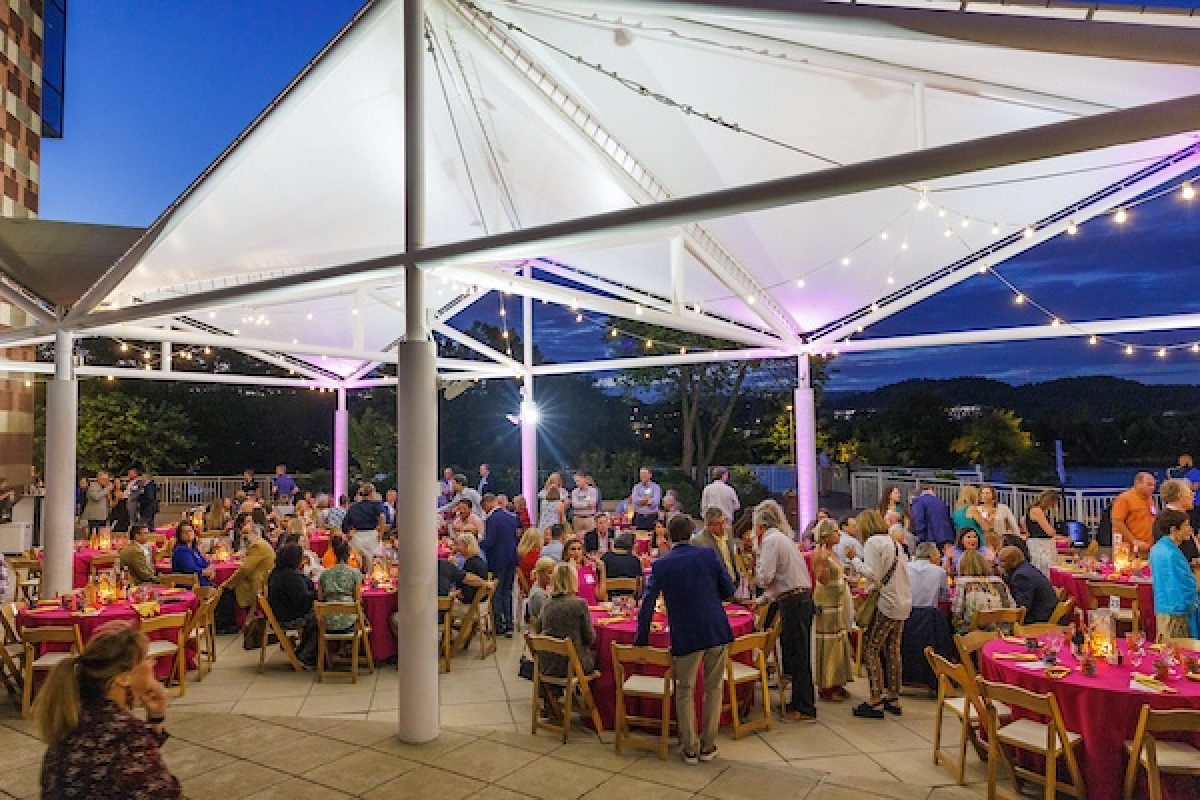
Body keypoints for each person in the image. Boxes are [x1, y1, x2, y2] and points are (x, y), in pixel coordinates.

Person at [36, 621, 182, 798]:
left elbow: (126, 770)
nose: (153, 662)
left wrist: (155, 719)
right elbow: (163, 793)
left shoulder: (74, 715)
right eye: (146, 658)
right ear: (124, 678)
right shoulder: (124, 733)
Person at [634, 513, 733, 764]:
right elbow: (729, 590)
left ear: (667, 535)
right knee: (714, 688)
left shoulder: (662, 564)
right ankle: (708, 745)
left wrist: (642, 637)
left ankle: (690, 747)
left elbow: (648, 601)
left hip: (685, 631)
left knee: (685, 690)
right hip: (715, 628)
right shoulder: (708, 555)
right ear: (691, 532)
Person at [754, 499, 816, 722]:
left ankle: (805, 707)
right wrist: (762, 601)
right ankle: (799, 702)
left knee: (799, 655)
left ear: (760, 526)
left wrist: (756, 565)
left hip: (795, 602)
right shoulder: (782, 539)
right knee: (796, 653)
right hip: (798, 597)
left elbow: (766, 578)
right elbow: (781, 582)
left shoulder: (770, 541)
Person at [851, 507, 912, 719]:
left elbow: (873, 575)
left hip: (887, 603)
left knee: (871, 648)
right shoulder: (894, 542)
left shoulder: (872, 543)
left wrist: (854, 560)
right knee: (893, 648)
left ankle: (875, 698)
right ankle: (893, 696)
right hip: (903, 601)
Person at [810, 519, 854, 702]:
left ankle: (837, 680)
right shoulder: (820, 554)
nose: (839, 534)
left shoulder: (834, 553)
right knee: (828, 642)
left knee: (839, 639)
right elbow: (823, 579)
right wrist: (824, 564)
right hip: (827, 603)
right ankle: (826, 685)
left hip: (838, 601)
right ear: (826, 535)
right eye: (836, 532)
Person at [902, 541, 954, 690]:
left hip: (907, 613)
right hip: (929, 616)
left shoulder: (906, 567)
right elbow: (944, 597)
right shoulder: (939, 572)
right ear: (932, 555)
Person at [534, 562, 596, 683]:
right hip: (573, 665)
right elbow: (590, 638)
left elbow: (538, 630)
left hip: (548, 665)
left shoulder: (547, 603)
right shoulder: (579, 604)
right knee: (599, 656)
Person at [216, 520, 275, 633]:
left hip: (259, 584)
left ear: (255, 532)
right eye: (243, 533)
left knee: (227, 589)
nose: (244, 536)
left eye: (246, 533)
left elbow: (244, 569)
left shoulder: (257, 545)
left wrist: (228, 583)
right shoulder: (260, 543)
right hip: (263, 579)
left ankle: (228, 624)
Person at [1149, 509, 1199, 640]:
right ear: (1174, 529)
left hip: (1163, 607)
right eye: (1186, 525)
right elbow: (1187, 586)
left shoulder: (1157, 548)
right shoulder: (1172, 554)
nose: (1190, 529)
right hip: (1178, 612)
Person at [267, 545, 318, 665]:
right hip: (289, 617)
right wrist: (318, 595)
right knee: (322, 618)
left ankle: (302, 651)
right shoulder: (291, 577)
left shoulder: (278, 572)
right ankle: (307, 655)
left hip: (281, 612)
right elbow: (302, 599)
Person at [481, 493, 519, 636]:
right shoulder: (511, 517)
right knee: (507, 592)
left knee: (497, 593)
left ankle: (499, 625)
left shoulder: (491, 519)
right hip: (511, 558)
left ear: (487, 504)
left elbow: (490, 542)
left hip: (497, 559)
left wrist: (479, 543)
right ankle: (509, 622)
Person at [952, 550, 1015, 633]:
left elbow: (957, 613)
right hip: (1003, 633)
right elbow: (1012, 607)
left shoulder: (963, 583)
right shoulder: (999, 581)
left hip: (974, 635)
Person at [998, 545, 1057, 624]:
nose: (999, 565)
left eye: (1001, 562)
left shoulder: (1021, 576)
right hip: (1046, 611)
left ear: (1010, 562)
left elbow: (1022, 607)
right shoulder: (1026, 568)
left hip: (1038, 619)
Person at [317, 539, 362, 639]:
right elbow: (358, 599)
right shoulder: (355, 573)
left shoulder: (324, 574)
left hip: (328, 622)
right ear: (349, 553)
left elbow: (320, 598)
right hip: (349, 623)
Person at [344, 483, 387, 573]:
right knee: (375, 563)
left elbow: (345, 525)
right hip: (372, 537)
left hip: (356, 538)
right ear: (372, 493)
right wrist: (381, 533)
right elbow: (383, 517)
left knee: (358, 562)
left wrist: (350, 531)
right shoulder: (376, 505)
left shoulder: (353, 507)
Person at [692, 507, 739, 587]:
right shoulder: (699, 541)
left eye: (724, 522)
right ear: (708, 526)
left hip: (735, 580)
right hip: (718, 585)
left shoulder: (729, 531)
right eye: (718, 524)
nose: (723, 527)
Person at [1111, 471, 1158, 552]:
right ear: (1138, 483)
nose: (1152, 487)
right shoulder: (1124, 499)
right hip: (1128, 548)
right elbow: (1117, 521)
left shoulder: (1150, 498)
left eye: (1154, 485)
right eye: (1149, 484)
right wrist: (1134, 541)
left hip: (1148, 546)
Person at [1160, 478, 1200, 564]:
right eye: (1190, 493)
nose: (1193, 497)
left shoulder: (1182, 515)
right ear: (1180, 496)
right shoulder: (1165, 520)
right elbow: (1167, 553)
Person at [1024, 489, 1063, 574]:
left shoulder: (1033, 510)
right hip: (1041, 545)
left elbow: (1023, 521)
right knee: (1044, 569)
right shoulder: (1037, 511)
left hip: (1038, 542)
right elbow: (1050, 532)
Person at [564, 537, 606, 605]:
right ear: (566, 553)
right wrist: (572, 570)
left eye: (579, 549)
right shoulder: (563, 569)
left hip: (592, 609)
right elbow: (568, 595)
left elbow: (600, 596)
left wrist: (602, 570)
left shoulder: (589, 569)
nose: (576, 552)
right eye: (573, 549)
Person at [170, 522, 214, 587]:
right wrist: (204, 572)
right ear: (180, 536)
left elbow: (205, 563)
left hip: (201, 584)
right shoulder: (181, 550)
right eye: (185, 532)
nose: (188, 533)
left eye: (190, 531)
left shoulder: (194, 549)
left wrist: (210, 568)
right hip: (190, 586)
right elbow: (190, 569)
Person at [600, 532, 643, 597]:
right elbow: (640, 585)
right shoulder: (635, 560)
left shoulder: (605, 558)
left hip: (608, 597)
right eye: (635, 543)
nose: (637, 545)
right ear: (631, 544)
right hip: (630, 598)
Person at [977, 485, 1018, 550]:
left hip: (1001, 541)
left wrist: (1017, 538)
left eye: (987, 493)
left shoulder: (1003, 508)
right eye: (982, 493)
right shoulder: (978, 509)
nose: (984, 495)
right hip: (984, 542)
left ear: (993, 495)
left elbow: (1013, 525)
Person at [454, 533, 489, 605]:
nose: (456, 548)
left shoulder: (470, 564)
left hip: (470, 603)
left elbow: (465, 589)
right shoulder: (479, 560)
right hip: (481, 601)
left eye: (458, 545)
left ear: (467, 546)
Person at [570, 473, 600, 550]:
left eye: (578, 481)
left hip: (590, 518)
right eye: (575, 481)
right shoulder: (574, 492)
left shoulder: (593, 491)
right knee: (577, 539)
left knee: (590, 538)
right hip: (577, 518)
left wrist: (580, 504)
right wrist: (586, 504)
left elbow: (593, 503)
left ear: (584, 479)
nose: (577, 483)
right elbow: (574, 504)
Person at [629, 467, 662, 531]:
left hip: (652, 517)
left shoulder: (656, 487)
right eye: (641, 474)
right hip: (639, 517)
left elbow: (656, 502)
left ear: (650, 475)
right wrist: (647, 500)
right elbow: (635, 501)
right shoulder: (636, 487)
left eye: (644, 473)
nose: (642, 476)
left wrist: (641, 501)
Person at [525, 556, 555, 625]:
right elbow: (543, 618)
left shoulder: (545, 589)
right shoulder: (538, 594)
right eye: (550, 572)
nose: (553, 576)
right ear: (541, 573)